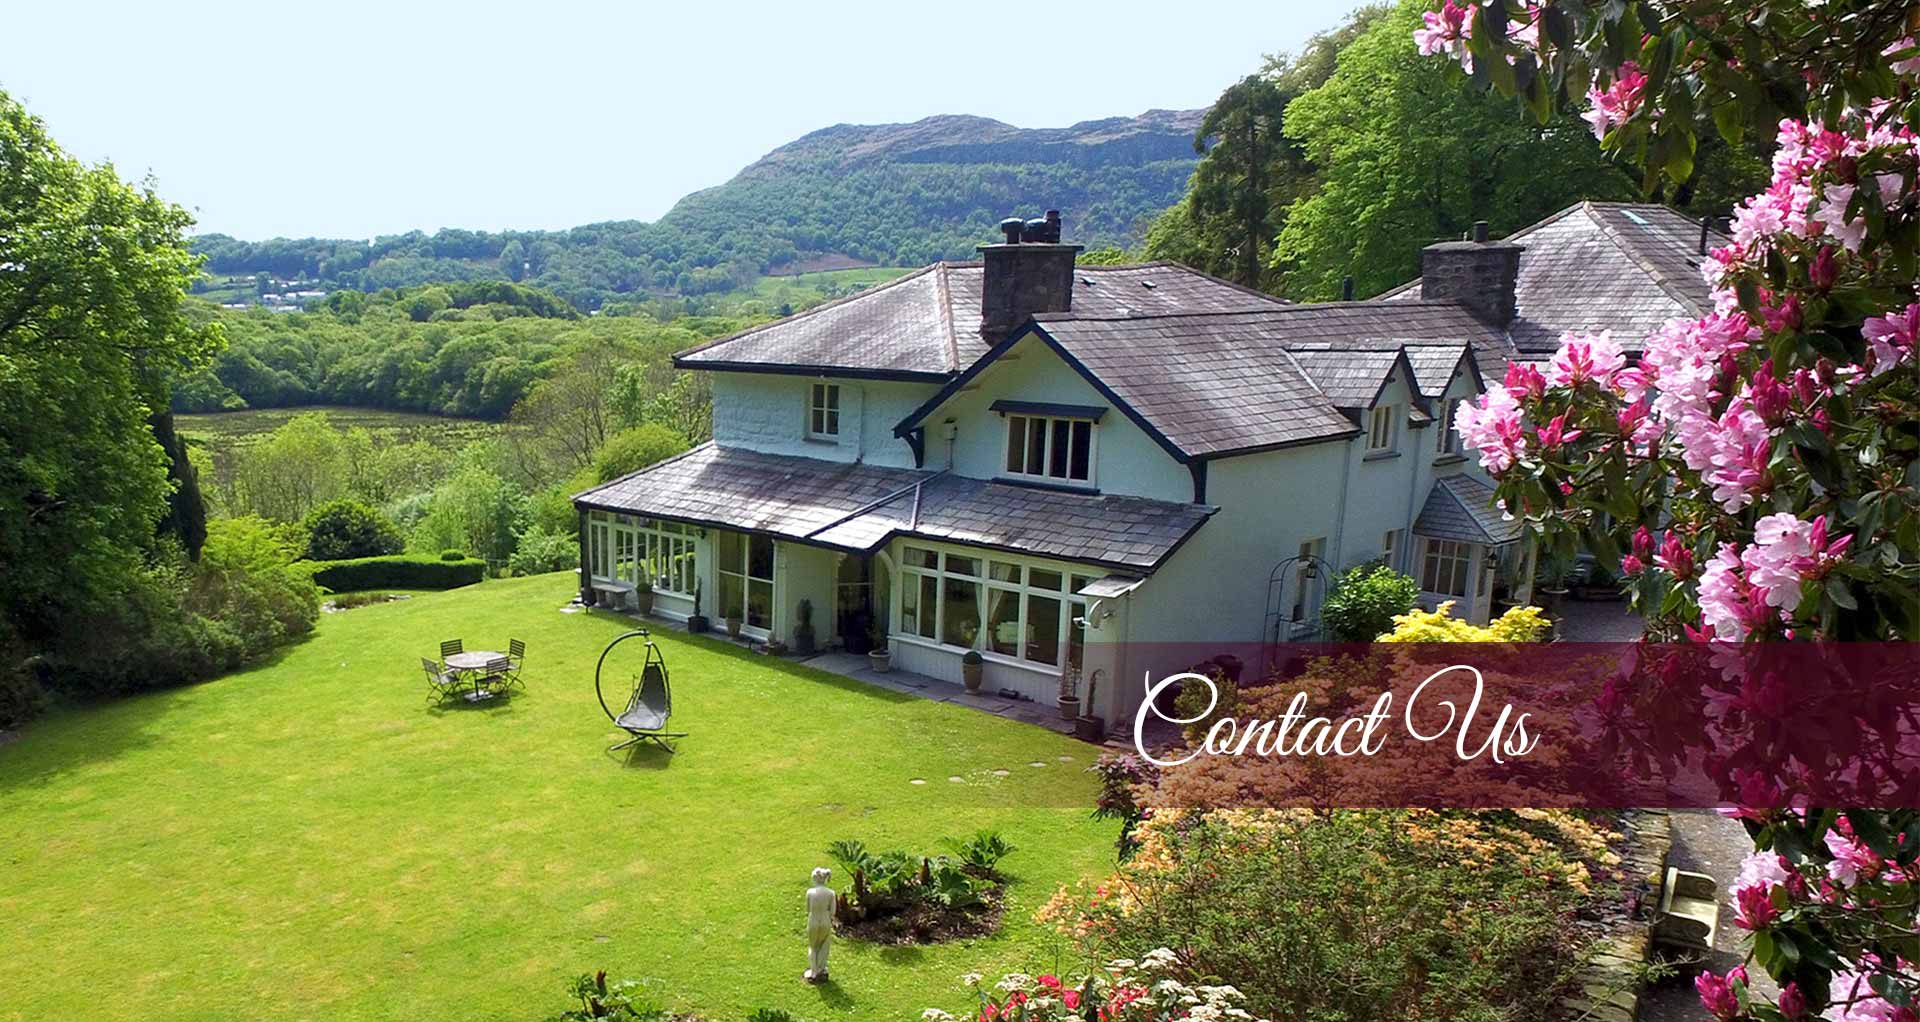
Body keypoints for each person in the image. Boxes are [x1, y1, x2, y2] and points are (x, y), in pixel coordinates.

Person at [804, 866, 834, 982]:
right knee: (824, 945)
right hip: (825, 920)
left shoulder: (810, 893)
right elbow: (833, 912)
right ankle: (821, 969)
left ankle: (813, 971)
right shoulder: (831, 893)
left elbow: (808, 909)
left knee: (813, 946)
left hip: (813, 920)